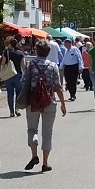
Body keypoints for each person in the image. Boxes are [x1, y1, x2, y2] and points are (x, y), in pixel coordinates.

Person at [23, 40, 66, 172]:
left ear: (36, 51)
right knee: (47, 133)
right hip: (49, 101)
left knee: (32, 129)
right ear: (48, 52)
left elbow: (24, 82)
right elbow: (58, 87)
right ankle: (45, 163)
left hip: (33, 101)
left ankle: (34, 153)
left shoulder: (31, 65)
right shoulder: (53, 66)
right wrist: (63, 104)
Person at [1, 35, 25, 118]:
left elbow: (3, 63)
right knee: (18, 93)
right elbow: (23, 66)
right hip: (18, 74)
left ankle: (11, 111)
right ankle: (17, 109)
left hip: (8, 75)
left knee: (10, 94)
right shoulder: (21, 53)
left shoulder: (6, 52)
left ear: (10, 44)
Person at [59, 38, 83, 102]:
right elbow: (64, 59)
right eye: (65, 44)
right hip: (67, 67)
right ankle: (70, 94)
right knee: (68, 82)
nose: (65, 45)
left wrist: (80, 67)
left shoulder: (75, 49)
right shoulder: (66, 51)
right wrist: (61, 66)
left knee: (73, 81)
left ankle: (73, 95)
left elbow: (79, 58)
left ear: (70, 43)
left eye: (66, 44)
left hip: (74, 67)